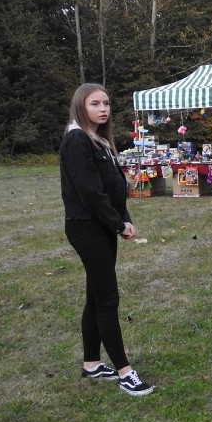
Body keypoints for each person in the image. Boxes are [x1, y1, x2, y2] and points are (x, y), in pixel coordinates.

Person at [59, 83, 154, 396]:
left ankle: (91, 363)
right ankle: (125, 372)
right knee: (108, 300)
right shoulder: (76, 140)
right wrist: (117, 224)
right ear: (80, 107)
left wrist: (123, 217)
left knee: (96, 296)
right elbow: (90, 192)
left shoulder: (96, 139)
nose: (103, 109)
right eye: (95, 104)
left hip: (101, 225)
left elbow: (113, 185)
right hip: (87, 227)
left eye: (106, 103)